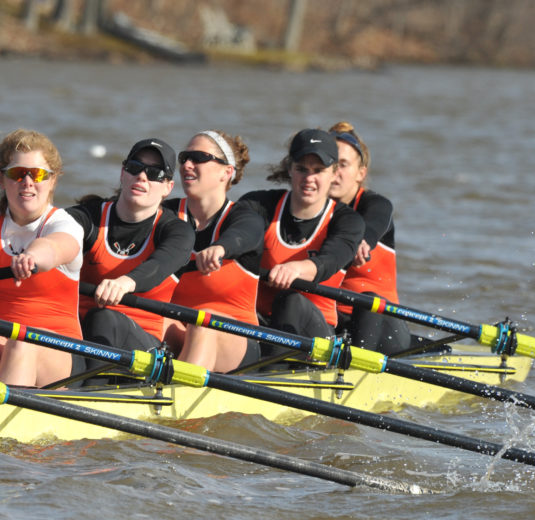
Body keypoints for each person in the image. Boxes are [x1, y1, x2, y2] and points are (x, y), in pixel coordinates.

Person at [66, 138, 193, 377]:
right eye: (136, 167)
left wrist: (125, 283)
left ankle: (89, 394)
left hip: (142, 346)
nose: (143, 176)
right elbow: (56, 233)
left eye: (155, 173)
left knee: (104, 317)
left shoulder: (177, 231)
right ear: (123, 173)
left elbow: (159, 265)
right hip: (77, 334)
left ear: (168, 187)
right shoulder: (88, 217)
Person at [0, 128, 83, 387]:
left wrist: (31, 256)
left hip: (60, 351)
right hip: (0, 339)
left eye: (38, 174)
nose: (28, 182)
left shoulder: (65, 224)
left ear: (52, 180)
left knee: (23, 344)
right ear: (1, 179)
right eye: (18, 174)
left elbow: (55, 248)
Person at [238, 129, 365, 349]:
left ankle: (269, 374)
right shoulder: (257, 205)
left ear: (334, 173)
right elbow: (238, 236)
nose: (309, 178)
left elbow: (331, 260)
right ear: (290, 170)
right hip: (257, 321)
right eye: (301, 169)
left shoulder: (347, 221)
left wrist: (297, 269)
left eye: (318, 171)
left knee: (291, 301)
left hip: (316, 333)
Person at [162, 130, 265, 373]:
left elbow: (246, 233)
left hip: (237, 340)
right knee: (133, 315)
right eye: (184, 157)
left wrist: (221, 248)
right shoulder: (166, 214)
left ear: (226, 172)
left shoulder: (243, 218)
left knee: (204, 320)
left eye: (198, 157)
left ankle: (179, 399)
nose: (187, 164)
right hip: (182, 328)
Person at [327, 122, 411, 354]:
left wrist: (360, 242)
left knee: (367, 301)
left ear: (361, 173)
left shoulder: (374, 205)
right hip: (331, 321)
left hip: (381, 326)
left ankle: (355, 374)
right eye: (330, 163)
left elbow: (374, 223)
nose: (335, 172)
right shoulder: (309, 210)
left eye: (343, 164)